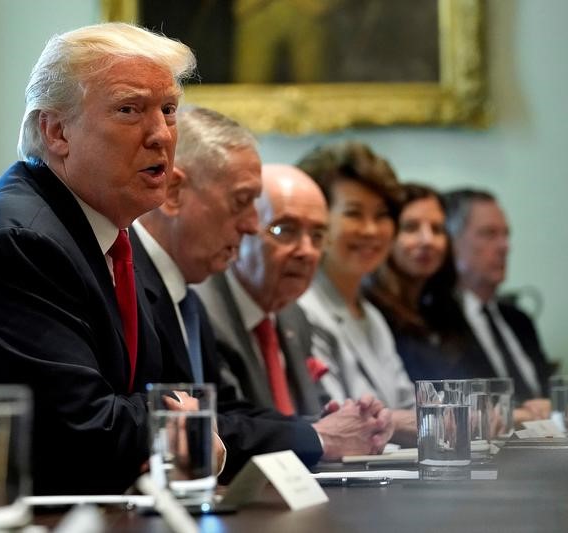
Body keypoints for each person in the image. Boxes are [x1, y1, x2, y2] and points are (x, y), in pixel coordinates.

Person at [0, 23, 206, 515]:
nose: (160, 136)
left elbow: (162, 394)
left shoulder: (106, 234)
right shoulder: (17, 240)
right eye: (129, 110)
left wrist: (178, 421)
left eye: (169, 110)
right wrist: (186, 429)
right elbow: (82, 435)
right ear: (56, 131)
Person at [134, 111, 392, 475]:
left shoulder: (186, 293)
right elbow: (174, 425)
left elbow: (223, 410)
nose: (252, 225)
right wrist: (318, 436)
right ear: (174, 193)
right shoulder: (143, 283)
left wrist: (319, 428)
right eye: (242, 202)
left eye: (319, 236)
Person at [193, 161, 393, 460]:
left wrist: (356, 421)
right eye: (285, 230)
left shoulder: (293, 316)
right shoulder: (204, 312)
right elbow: (231, 429)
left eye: (317, 236)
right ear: (242, 229)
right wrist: (323, 435)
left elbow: (313, 415)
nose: (306, 251)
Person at [295, 141, 417, 445]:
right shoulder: (302, 309)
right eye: (354, 213)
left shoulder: (371, 315)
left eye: (381, 215)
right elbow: (339, 420)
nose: (371, 231)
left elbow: (408, 405)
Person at [443, 188, 555, 415]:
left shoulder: (518, 319)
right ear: (452, 243)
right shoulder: (436, 322)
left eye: (506, 234)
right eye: (489, 234)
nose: (505, 246)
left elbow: (551, 394)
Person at [364, 183, 473, 381]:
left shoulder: (444, 312)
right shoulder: (370, 312)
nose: (427, 240)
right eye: (411, 227)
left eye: (437, 229)